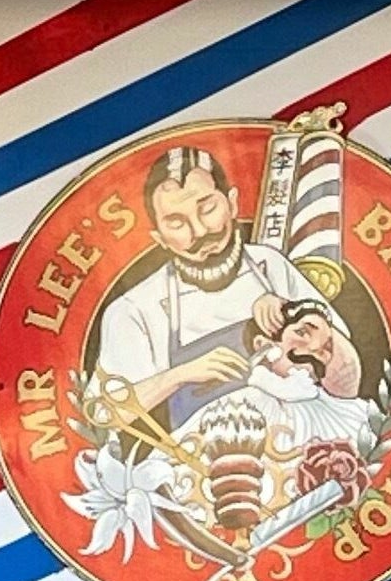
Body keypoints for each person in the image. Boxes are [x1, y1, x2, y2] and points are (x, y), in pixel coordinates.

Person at [86, 143, 314, 438]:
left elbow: (346, 368)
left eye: (207, 209)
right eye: (176, 222)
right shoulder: (135, 308)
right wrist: (180, 376)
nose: (200, 231)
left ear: (232, 204)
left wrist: (293, 314)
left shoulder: (270, 267)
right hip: (198, 460)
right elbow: (102, 413)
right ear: (159, 237)